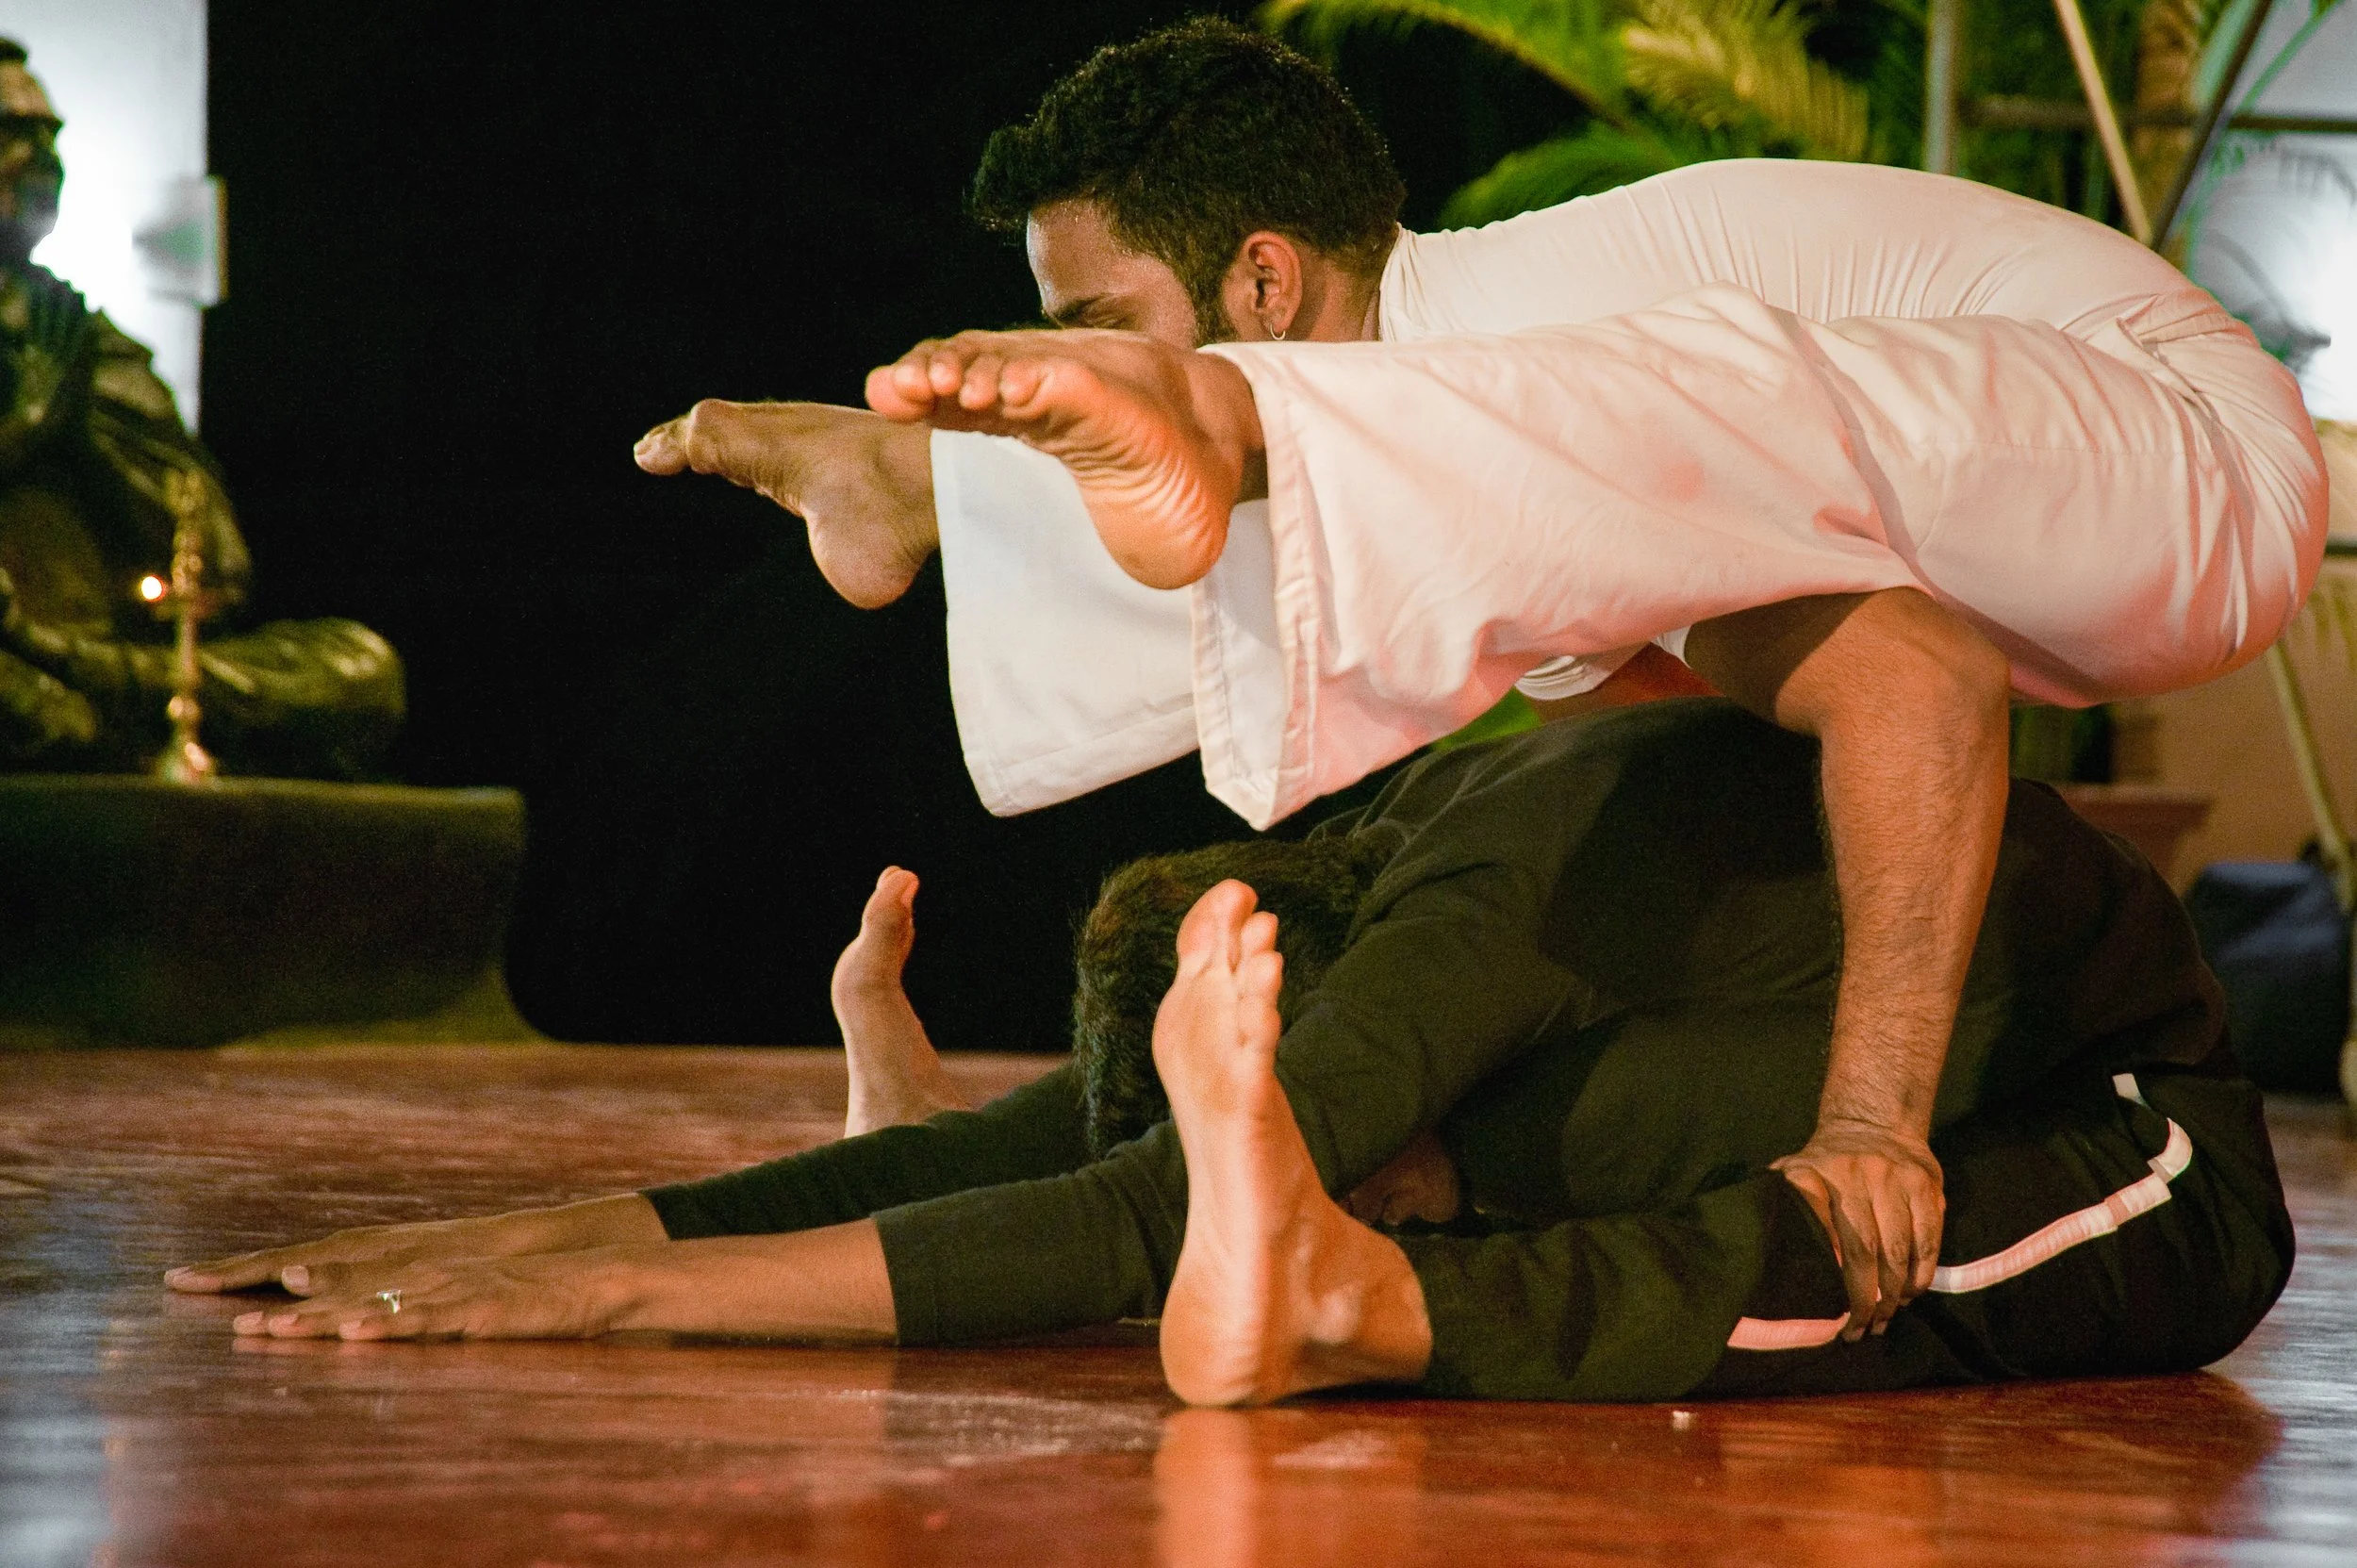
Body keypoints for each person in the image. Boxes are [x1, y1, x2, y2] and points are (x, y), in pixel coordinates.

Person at [637, 19, 2325, 1338]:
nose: (1063, 368)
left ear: (1266, 281)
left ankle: (980, 471)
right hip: (1979, 502)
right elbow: (1700, 786)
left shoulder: (1559, 355)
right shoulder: (1536, 490)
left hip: (2182, 443)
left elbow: (1928, 682)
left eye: (1099, 320)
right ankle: (948, 491)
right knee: (1441, 561)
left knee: (1635, 406)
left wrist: (1873, 1126)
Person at [165, 704, 2292, 1407]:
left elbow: (1136, 1215)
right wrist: (552, 1230)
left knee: (1824, 1259)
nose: (1353, 1140)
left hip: (2121, 1128)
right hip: (1663, 1045)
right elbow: (1096, 1150)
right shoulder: (1334, 952)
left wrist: (628, 1302)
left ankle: (1360, 1303)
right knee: (1222, 1204)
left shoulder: (1456, 943)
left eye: (1346, 1146)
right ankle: (1343, 1284)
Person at [0, 40, 402, 777]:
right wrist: (24, 430)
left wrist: (85, 440)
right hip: (11, 662)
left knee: (359, 667)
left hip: (108, 662)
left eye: (48, 134)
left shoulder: (85, 337)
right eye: (11, 132)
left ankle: (99, 694)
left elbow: (215, 560)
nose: (41, 156)